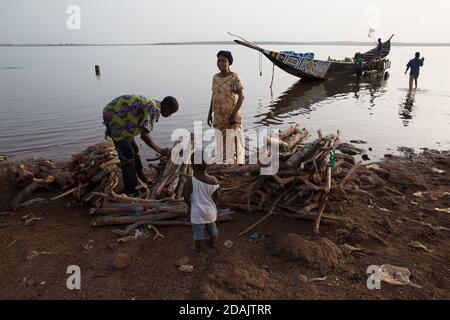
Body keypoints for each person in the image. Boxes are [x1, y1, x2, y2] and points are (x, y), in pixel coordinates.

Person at [103, 95, 178, 196]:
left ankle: (142, 179)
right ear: (166, 107)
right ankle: (131, 191)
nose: (169, 115)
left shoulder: (154, 105)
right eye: (170, 112)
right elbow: (144, 136)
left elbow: (143, 131)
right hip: (116, 119)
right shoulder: (153, 109)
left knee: (134, 150)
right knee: (128, 157)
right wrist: (160, 150)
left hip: (122, 121)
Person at [207, 50, 245, 164]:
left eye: (224, 60)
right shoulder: (215, 77)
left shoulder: (234, 77)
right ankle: (224, 166)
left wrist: (233, 115)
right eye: (218, 60)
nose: (220, 63)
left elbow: (241, 97)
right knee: (221, 144)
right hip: (218, 117)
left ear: (229, 63)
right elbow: (213, 96)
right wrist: (209, 114)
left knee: (234, 142)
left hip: (231, 117)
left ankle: (238, 166)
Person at [183, 150, 220, 254]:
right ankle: (213, 243)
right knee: (212, 228)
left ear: (191, 165)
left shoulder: (190, 182)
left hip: (197, 213)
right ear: (208, 164)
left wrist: (192, 205)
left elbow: (186, 198)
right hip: (210, 211)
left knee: (198, 232)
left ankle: (199, 250)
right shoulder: (213, 180)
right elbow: (217, 197)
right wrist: (213, 205)